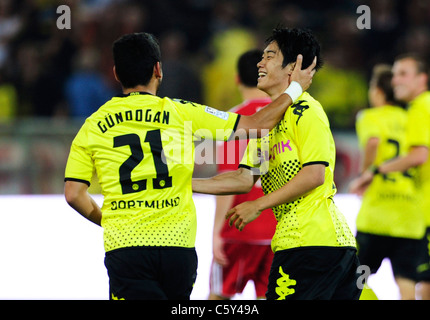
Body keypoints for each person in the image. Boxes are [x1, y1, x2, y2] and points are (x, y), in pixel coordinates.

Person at [63, 32, 316, 300]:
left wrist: (109, 221)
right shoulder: (183, 112)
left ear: (116, 73)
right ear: (157, 70)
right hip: (177, 248)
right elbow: (258, 124)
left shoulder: (92, 126)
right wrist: (296, 88)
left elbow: (74, 194)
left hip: (126, 248)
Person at [193, 27, 360, 300]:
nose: (260, 63)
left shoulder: (306, 111)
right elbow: (243, 178)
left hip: (315, 244)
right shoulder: (267, 124)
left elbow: (315, 174)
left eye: (269, 56)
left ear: (293, 67)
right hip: (301, 244)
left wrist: (257, 204)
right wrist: (183, 184)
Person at [350, 53, 430, 300]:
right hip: (410, 215)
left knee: (353, 276)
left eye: (403, 74)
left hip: (378, 214)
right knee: (411, 280)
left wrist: (370, 172)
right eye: (394, 75)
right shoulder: (407, 115)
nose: (396, 80)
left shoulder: (415, 109)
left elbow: (417, 155)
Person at [209, 49, 277, 300]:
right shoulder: (289, 116)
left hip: (240, 230)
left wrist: (217, 231)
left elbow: (230, 182)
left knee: (219, 297)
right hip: (279, 233)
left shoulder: (232, 121)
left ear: (237, 79)